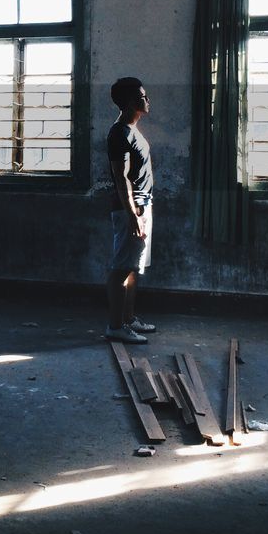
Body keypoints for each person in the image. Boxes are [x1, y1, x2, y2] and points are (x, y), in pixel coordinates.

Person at [104, 77, 157, 344]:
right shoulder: (120, 132)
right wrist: (132, 213)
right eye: (142, 96)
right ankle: (115, 326)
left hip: (142, 202)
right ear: (128, 102)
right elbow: (120, 176)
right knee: (121, 268)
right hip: (132, 206)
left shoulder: (132, 131)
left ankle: (128, 319)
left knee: (133, 267)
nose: (147, 100)